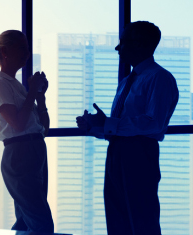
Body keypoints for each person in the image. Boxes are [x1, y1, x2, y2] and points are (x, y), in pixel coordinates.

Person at [76, 21, 177, 235]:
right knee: (116, 217)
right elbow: (119, 128)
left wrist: (109, 124)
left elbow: (154, 123)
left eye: (122, 42)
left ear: (139, 44)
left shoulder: (160, 78)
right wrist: (95, 127)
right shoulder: (126, 82)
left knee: (141, 219)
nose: (117, 48)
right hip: (116, 153)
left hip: (140, 154)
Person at [0, 30, 54, 232]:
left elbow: (44, 128)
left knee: (26, 219)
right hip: (20, 153)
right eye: (21, 47)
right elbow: (17, 123)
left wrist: (39, 96)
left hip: (34, 150)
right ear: (5, 52)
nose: (27, 53)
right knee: (40, 219)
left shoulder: (16, 86)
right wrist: (32, 91)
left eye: (27, 48)